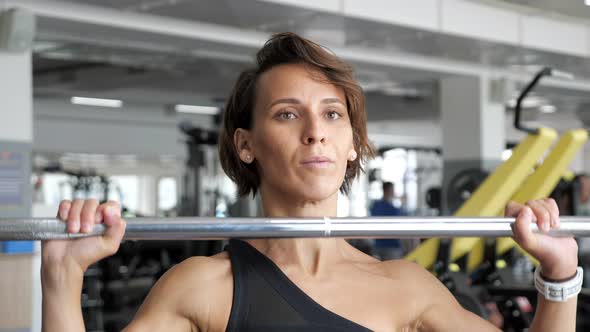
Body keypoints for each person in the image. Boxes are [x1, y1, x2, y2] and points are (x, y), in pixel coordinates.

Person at [42, 32, 579, 331]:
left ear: (352, 147)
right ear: (245, 144)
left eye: (333, 115)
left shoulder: (407, 288)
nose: (315, 133)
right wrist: (62, 282)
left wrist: (558, 276)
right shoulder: (202, 286)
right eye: (286, 114)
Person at [370, 182, 406, 259]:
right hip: (392, 246)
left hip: (378, 245)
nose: (393, 192)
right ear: (388, 190)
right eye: (392, 190)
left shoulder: (375, 205)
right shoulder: (393, 208)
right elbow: (400, 222)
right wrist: (402, 203)